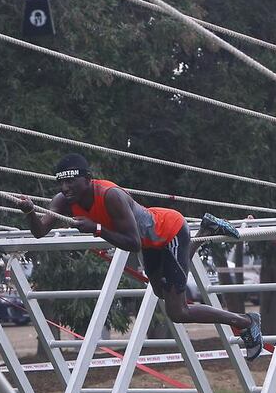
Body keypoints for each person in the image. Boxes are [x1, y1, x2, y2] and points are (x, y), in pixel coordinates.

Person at [17, 153, 263, 360]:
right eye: (61, 182)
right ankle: (208, 229)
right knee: (161, 292)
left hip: (169, 231)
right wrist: (29, 211)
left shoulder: (110, 195)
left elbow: (133, 243)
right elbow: (39, 231)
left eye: (71, 181)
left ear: (88, 179)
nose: (65, 187)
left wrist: (97, 229)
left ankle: (245, 321)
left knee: (178, 311)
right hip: (152, 243)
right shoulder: (63, 201)